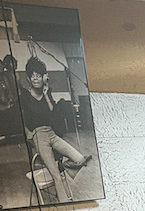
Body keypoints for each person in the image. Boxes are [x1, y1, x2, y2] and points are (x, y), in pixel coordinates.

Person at [19, 56, 92, 202]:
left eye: (38, 75)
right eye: (32, 75)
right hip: (39, 136)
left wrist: (46, 94)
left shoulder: (47, 93)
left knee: (80, 159)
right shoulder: (25, 96)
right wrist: (28, 133)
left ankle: (60, 166)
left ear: (44, 77)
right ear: (28, 78)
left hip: (51, 133)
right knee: (57, 177)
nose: (35, 78)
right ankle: (65, 203)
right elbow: (22, 117)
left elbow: (53, 114)